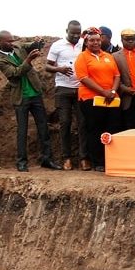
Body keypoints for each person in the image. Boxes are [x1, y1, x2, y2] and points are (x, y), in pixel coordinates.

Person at [0, 31, 62, 172]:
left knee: (43, 128)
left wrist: (38, 42)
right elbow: (15, 73)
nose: (12, 44)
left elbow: (31, 45)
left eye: (12, 40)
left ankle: (47, 159)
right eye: (8, 42)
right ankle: (21, 162)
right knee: (22, 131)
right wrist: (28, 60)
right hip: (21, 97)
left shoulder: (18, 46)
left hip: (35, 93)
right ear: (0, 42)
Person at [73, 27, 121, 172]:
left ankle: (112, 160)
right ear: (86, 42)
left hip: (111, 98)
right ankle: (98, 162)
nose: (95, 43)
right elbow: (83, 78)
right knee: (95, 129)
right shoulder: (82, 57)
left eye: (98, 40)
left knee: (113, 128)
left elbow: (117, 76)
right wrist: (102, 92)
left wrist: (112, 91)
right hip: (90, 99)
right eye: (92, 40)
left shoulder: (108, 56)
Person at [45, 20, 89, 170]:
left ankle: (84, 158)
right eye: (73, 33)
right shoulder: (57, 45)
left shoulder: (84, 43)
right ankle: (66, 158)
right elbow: (47, 66)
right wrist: (59, 69)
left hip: (81, 88)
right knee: (65, 122)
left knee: (83, 122)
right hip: (63, 88)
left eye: (78, 33)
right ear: (67, 31)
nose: (76, 36)